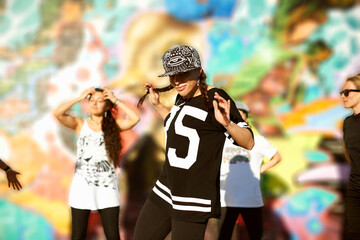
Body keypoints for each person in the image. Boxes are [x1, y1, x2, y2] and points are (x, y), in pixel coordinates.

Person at [134, 45, 254, 240]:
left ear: (199, 71)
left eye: (183, 73)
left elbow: (248, 142)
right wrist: (158, 105)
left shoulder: (217, 97)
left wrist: (228, 124)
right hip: (165, 189)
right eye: (173, 76)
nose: (177, 81)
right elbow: (179, 127)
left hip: (192, 199)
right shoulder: (183, 96)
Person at [53, 87, 140, 240]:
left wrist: (115, 100)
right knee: (78, 235)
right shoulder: (80, 124)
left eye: (99, 101)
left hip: (107, 188)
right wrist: (79, 98)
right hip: (82, 187)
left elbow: (134, 119)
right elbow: (58, 113)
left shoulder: (114, 125)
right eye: (91, 101)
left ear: (107, 106)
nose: (94, 104)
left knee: (112, 235)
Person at [218, 102, 282, 240]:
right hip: (225, 199)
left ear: (246, 119)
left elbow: (276, 157)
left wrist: (259, 170)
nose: (238, 119)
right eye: (235, 116)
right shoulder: (222, 140)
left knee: (255, 236)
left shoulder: (258, 141)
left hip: (250, 199)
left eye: (241, 116)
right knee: (223, 236)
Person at [341, 73, 360, 240]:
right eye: (342, 92)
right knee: (353, 234)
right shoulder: (347, 122)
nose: (343, 96)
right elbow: (349, 153)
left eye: (347, 92)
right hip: (354, 188)